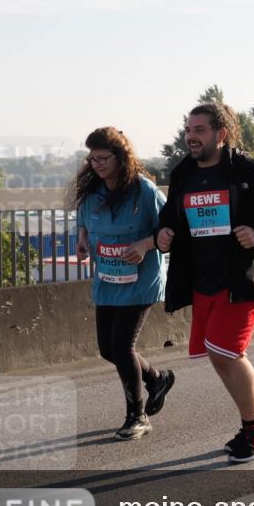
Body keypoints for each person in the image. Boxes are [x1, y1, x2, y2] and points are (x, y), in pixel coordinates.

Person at [156, 102, 254, 462]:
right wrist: (164, 233)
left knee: (225, 350)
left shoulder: (247, 170)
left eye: (199, 130)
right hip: (202, 279)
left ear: (220, 134)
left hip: (242, 277)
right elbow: (169, 216)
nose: (191, 136)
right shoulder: (183, 174)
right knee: (219, 354)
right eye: (188, 130)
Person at [70, 127, 174, 440]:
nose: (96, 164)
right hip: (107, 278)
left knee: (122, 345)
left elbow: (170, 230)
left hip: (140, 279)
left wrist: (144, 244)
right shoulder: (92, 191)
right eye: (92, 158)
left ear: (121, 157)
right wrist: (83, 238)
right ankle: (157, 378)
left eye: (103, 158)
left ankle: (137, 415)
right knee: (107, 348)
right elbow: (84, 220)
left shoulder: (144, 190)